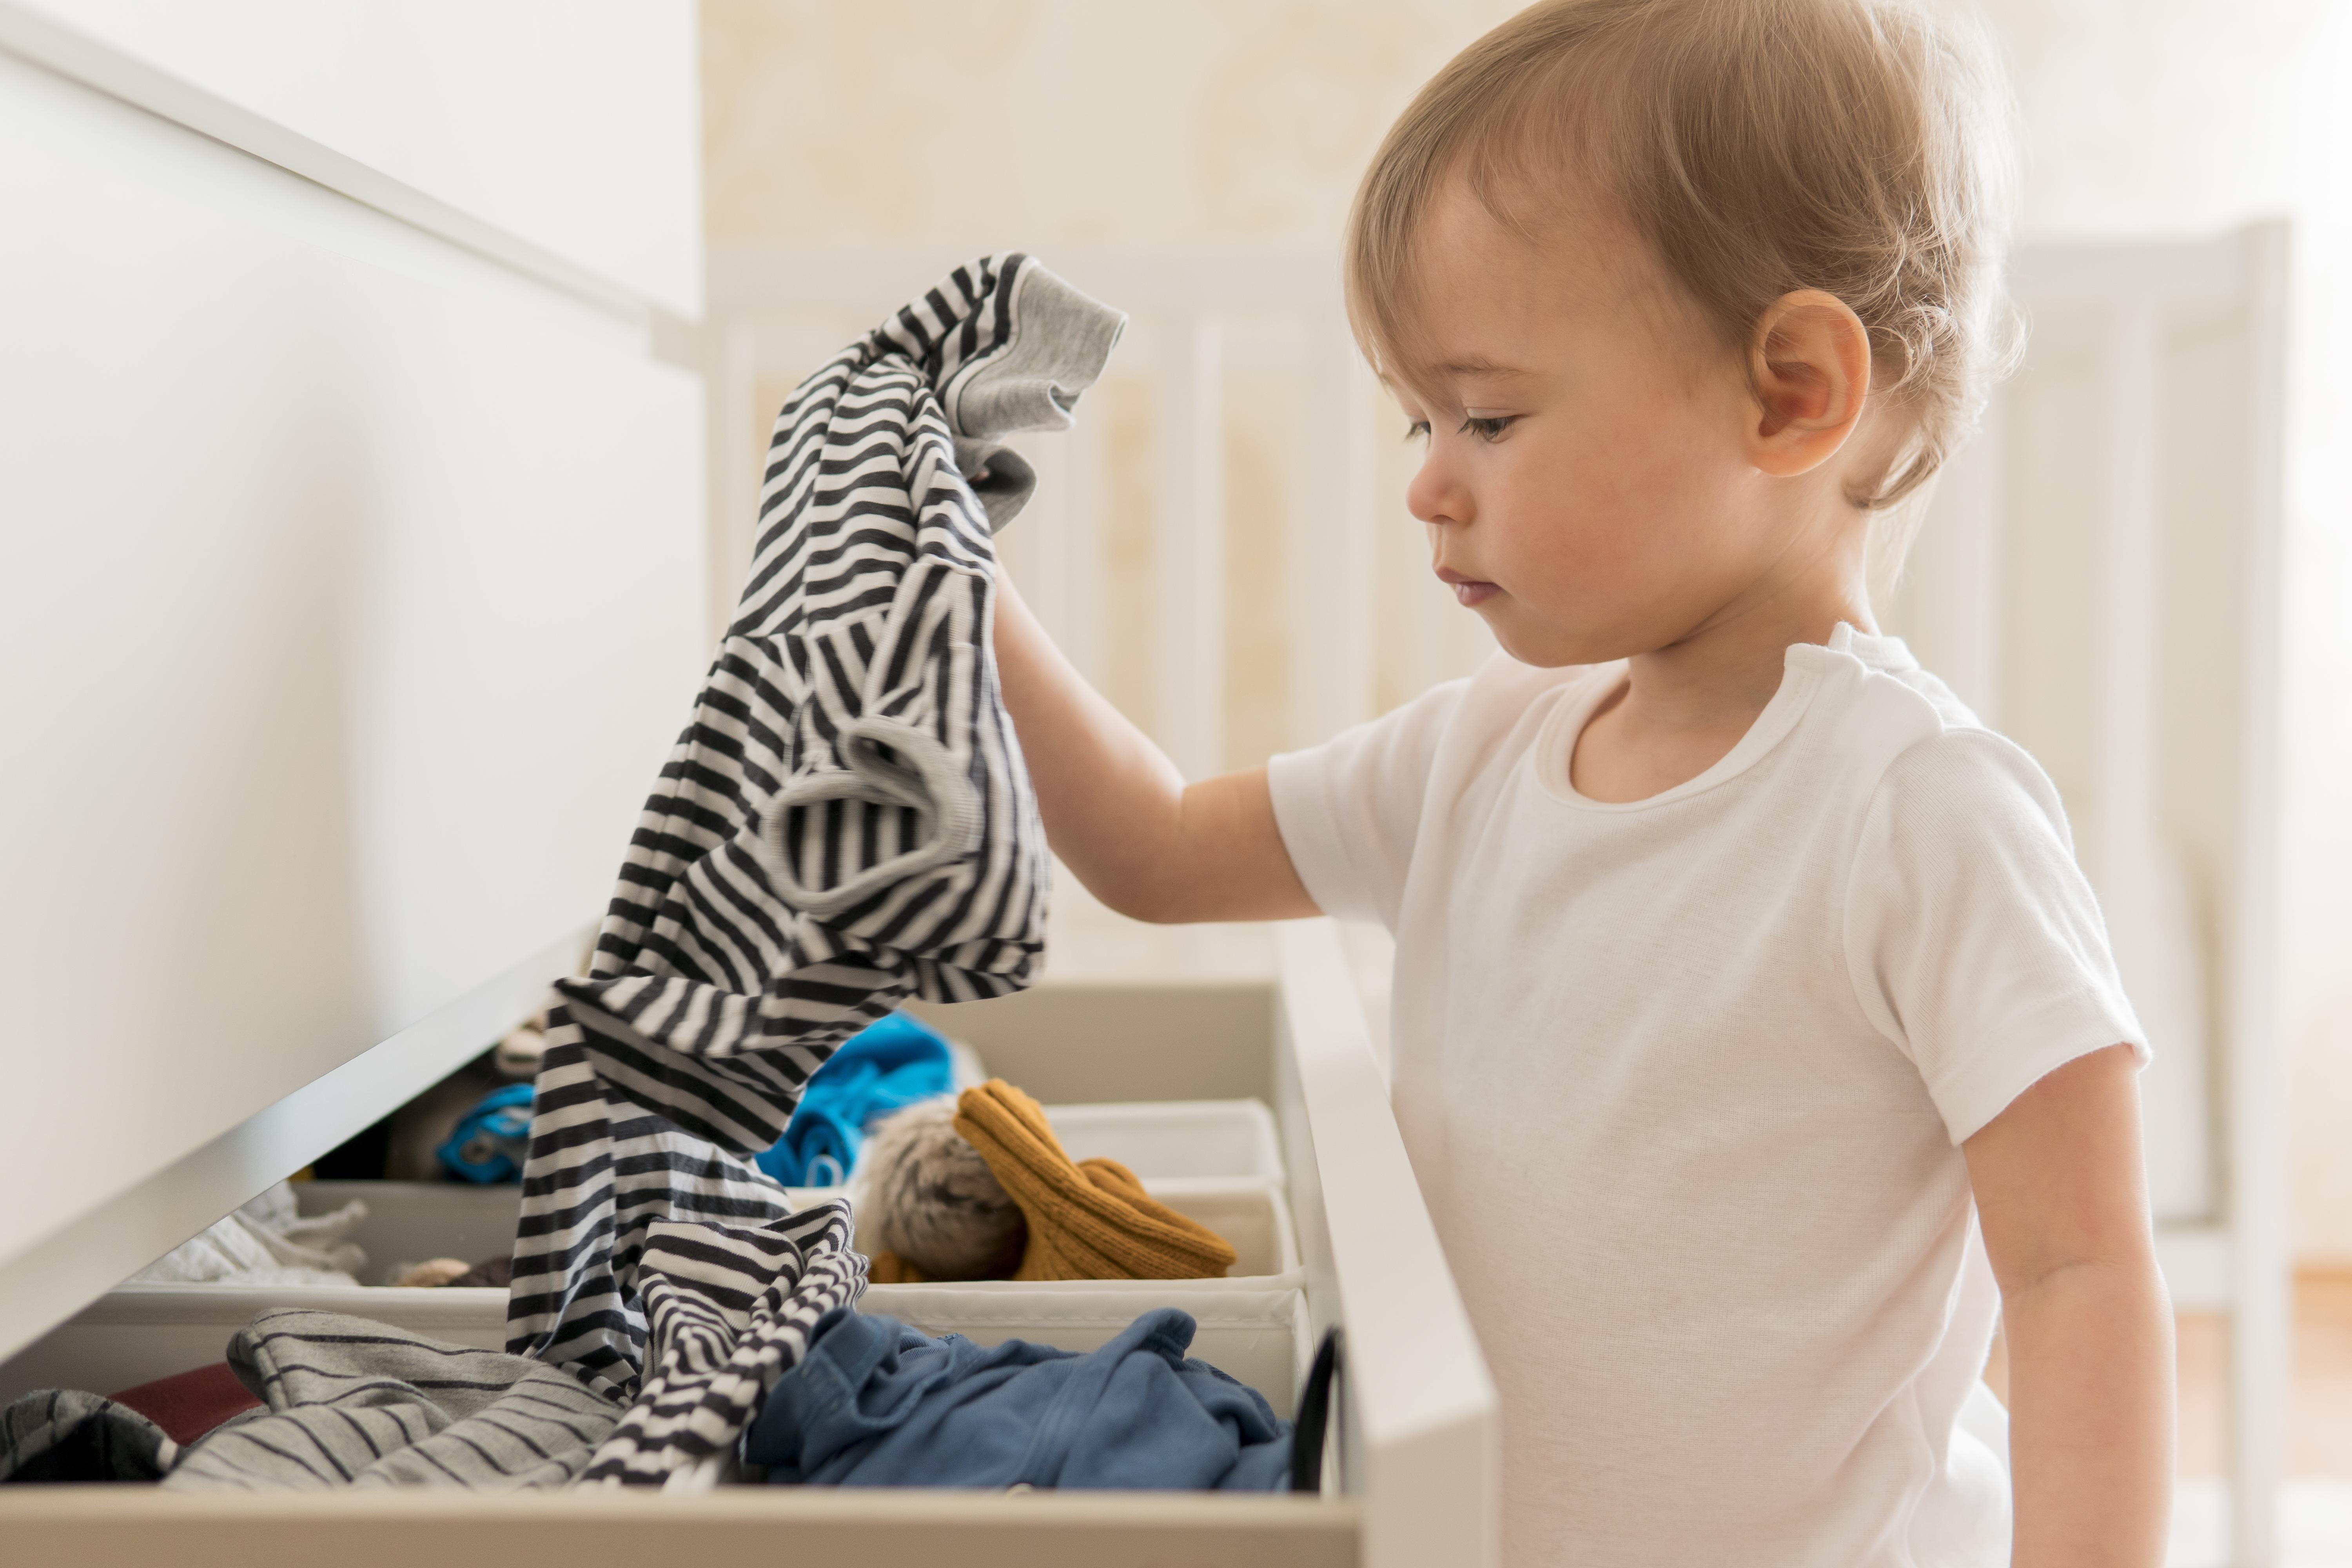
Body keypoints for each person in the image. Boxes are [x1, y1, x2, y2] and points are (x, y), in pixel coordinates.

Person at [990, 0, 2171, 1563]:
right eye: (1421, 417)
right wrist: (965, 588)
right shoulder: (1472, 758)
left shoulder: (1918, 811)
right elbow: (1150, 848)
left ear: (1790, 394)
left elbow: (2082, 1273)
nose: (1426, 475)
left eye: (1487, 414)